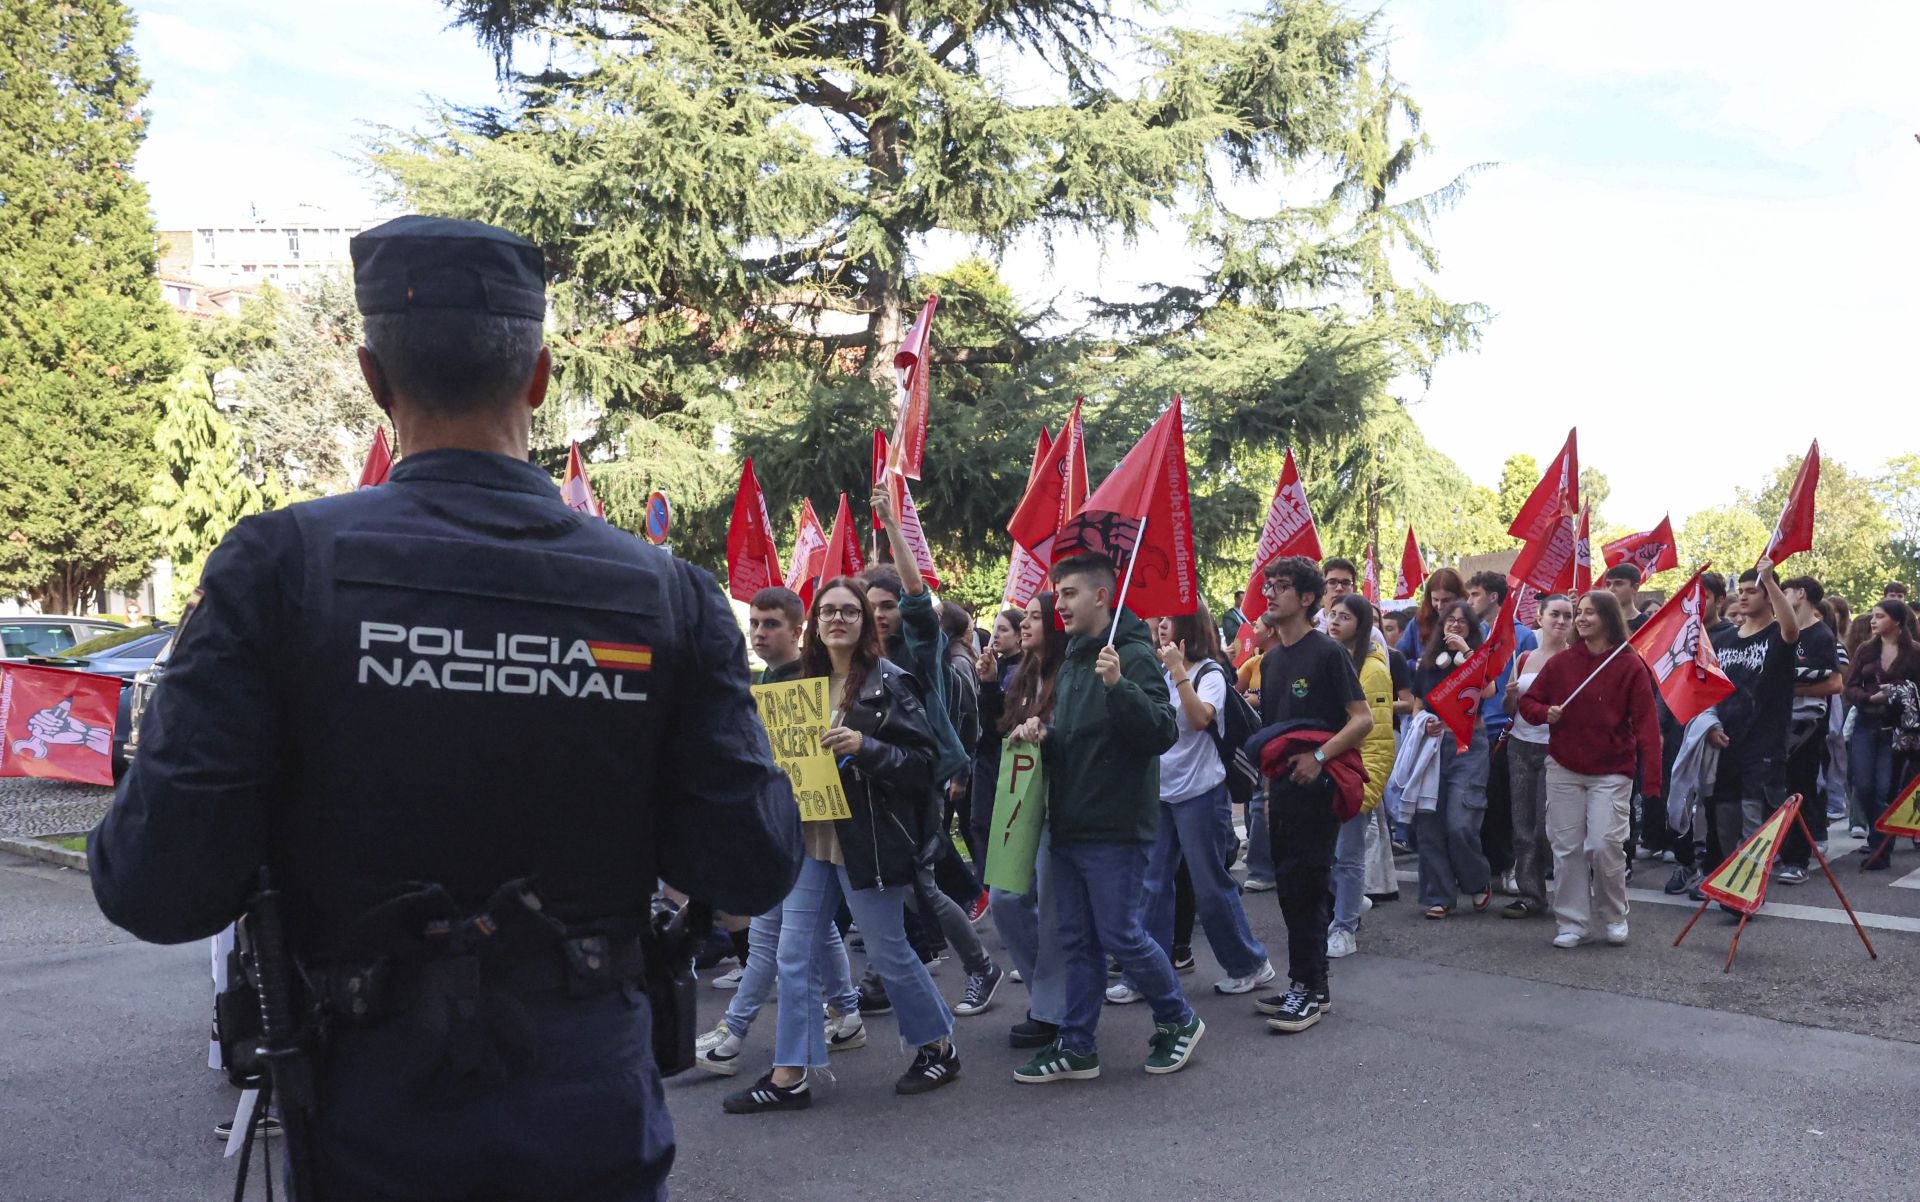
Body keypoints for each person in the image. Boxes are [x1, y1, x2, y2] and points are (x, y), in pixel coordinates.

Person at [89, 215, 804, 1199]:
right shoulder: (665, 596)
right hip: (589, 1116)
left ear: (375, 378)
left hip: (369, 1123)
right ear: (541, 376)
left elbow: (156, 883)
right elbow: (750, 861)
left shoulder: (280, 568)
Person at [726, 579, 958, 1112]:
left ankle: (938, 1047)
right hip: (809, 836)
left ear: (865, 622)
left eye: (849, 611)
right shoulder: (792, 682)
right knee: (793, 951)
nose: (838, 619)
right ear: (815, 622)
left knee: (887, 950)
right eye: (828, 611)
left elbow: (923, 766)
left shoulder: (889, 682)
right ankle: (790, 1075)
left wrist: (866, 746)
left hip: (866, 838)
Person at [1009, 553, 1203, 1083]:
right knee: (1076, 939)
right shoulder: (1072, 658)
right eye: (1057, 593)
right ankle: (1077, 1046)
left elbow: (1162, 732)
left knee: (1121, 935)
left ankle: (1178, 1019)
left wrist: (1121, 686)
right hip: (1070, 820)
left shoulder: (1132, 654)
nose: (1060, 604)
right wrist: (1041, 737)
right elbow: (1075, 741)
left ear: (1101, 596)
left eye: (1069, 593)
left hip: (1116, 825)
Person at [697, 587, 866, 1075]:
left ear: (798, 630)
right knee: (805, 931)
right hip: (778, 822)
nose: (759, 633)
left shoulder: (815, 681)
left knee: (775, 936)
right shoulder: (762, 682)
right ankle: (848, 1015)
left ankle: (735, 1031)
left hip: (814, 827)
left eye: (771, 624)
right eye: (754, 624)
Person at [858, 505, 1004, 1017]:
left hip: (922, 778)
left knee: (917, 881)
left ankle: (982, 968)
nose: (878, 613)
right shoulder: (858, 660)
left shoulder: (920, 646)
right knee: (894, 879)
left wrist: (893, 529)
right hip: (877, 778)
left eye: (886, 604)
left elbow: (919, 599)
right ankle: (882, 978)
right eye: (869, 605)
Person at [1112, 603, 1273, 1001]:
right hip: (1163, 792)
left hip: (1201, 793)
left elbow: (1201, 718)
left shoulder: (1210, 673)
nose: (1160, 626)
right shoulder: (1163, 672)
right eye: (1159, 620)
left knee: (1209, 885)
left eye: (1167, 620)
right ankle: (1144, 976)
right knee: (1152, 885)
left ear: (1188, 627)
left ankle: (1250, 964)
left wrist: (1180, 671)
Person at [1250, 556, 1373, 1032]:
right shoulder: (1271, 660)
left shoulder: (1327, 653)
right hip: (1280, 790)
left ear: (1306, 599)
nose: (1271, 594)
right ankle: (1304, 981)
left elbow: (1361, 719)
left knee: (1308, 885)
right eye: (1269, 586)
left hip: (1318, 787)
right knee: (1288, 887)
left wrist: (1319, 757)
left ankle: (1312, 988)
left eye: (1282, 587)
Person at [1518, 591, 1662, 948]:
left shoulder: (1629, 665)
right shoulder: (1561, 663)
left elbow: (1646, 725)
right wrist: (1543, 712)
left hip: (1612, 770)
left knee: (1604, 845)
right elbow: (1529, 702)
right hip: (1564, 767)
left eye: (1589, 614)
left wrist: (1654, 780)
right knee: (1565, 848)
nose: (1580, 619)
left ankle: (1614, 914)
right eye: (1578, 612)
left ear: (1609, 618)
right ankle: (1572, 922)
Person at [988, 591, 1072, 1050]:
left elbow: (1075, 736)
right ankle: (1053, 989)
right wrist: (986, 689)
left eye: (1036, 618)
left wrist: (1048, 731)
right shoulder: (1021, 674)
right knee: (1004, 897)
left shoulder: (1070, 674)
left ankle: (1052, 1009)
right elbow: (998, 732)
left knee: (1054, 910)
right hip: (1020, 803)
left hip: (1057, 805)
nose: (1025, 624)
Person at [1693, 562, 1802, 904]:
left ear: (1770, 596)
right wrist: (1709, 727)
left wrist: (1768, 578)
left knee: (1755, 823)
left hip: (1764, 746)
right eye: (1740, 591)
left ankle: (1749, 891)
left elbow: (1792, 630)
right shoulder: (1722, 638)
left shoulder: (1777, 635)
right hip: (1724, 744)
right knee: (1724, 820)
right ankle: (1731, 882)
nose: (1743, 596)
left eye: (1752, 590)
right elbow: (1706, 689)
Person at [1409, 599, 1496, 918]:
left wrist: (1468, 653)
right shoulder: (1427, 663)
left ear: (1471, 629)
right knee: (1429, 822)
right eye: (1450, 621)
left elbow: (1487, 690)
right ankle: (1439, 895)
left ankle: (1476, 880)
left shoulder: (1476, 659)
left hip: (1468, 744)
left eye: (1462, 622)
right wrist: (1423, 722)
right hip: (1431, 746)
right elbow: (1417, 704)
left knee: (1460, 822)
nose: (1455, 625)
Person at [1324, 594, 1396, 958]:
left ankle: (1344, 927)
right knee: (1326, 855)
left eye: (1345, 617)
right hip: (1325, 772)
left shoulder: (1373, 671)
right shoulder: (1329, 660)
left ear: (1362, 624)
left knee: (1349, 856)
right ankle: (1351, 902)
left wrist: (1366, 788)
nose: (1335, 622)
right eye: (1332, 614)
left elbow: (1380, 737)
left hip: (1353, 777)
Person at [1502, 593, 1573, 918]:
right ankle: (1531, 895)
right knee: (1522, 824)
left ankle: (1566, 892)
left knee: (1548, 827)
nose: (1561, 621)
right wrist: (1510, 697)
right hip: (1519, 744)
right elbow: (1509, 711)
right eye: (1555, 615)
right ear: (1540, 618)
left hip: (1556, 748)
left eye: (1567, 616)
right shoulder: (1524, 657)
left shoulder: (1575, 660)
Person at [1467, 572, 1537, 894]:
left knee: (1504, 801)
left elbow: (1530, 682)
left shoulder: (1523, 637)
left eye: (1475, 594)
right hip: (1475, 727)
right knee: (1480, 800)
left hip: (1506, 728)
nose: (1470, 601)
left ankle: (1508, 865)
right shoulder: (1472, 634)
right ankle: (1486, 865)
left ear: (1494, 596)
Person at [1776, 576, 1846, 883]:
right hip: (1775, 726)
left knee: (1799, 789)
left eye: (1786, 591)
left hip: (1806, 730)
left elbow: (1834, 683)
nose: (1780, 596)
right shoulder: (1778, 631)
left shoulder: (1820, 635)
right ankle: (1778, 847)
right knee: (1774, 790)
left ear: (1801, 594)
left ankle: (1797, 859)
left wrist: (1790, 690)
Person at [1844, 599, 1920, 869]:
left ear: (1897, 621)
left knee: (1884, 788)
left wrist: (1902, 693)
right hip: (1866, 724)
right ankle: (1878, 839)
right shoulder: (1866, 650)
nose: (1873, 621)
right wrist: (1870, 697)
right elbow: (1848, 687)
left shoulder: (1914, 652)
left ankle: (1880, 849)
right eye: (1873, 616)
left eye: (1880, 616)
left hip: (1897, 730)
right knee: (1863, 786)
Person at [969, 606, 1027, 882]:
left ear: (1019, 636)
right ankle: (985, 888)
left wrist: (992, 685)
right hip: (986, 756)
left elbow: (1003, 720)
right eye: (994, 629)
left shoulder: (1024, 672)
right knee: (980, 824)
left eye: (1003, 629)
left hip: (1005, 758)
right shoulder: (996, 664)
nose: (995, 636)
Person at [1236, 613, 1282, 892]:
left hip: (1281, 739)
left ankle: (1267, 867)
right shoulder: (1252, 663)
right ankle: (1262, 867)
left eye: (1257, 626)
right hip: (1256, 741)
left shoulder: (1290, 658)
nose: (1252, 629)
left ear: (1272, 630)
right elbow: (1232, 694)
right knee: (1257, 801)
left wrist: (1260, 698)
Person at [1397, 567, 1465, 668]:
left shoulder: (1472, 621)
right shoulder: (1419, 622)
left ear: (1459, 597)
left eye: (1446, 600)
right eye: (1435, 599)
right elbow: (1398, 659)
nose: (1440, 606)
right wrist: (1415, 665)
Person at [1603, 564, 1647, 633]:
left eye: (1618, 584)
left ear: (1635, 588)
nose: (1611, 589)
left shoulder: (1646, 625)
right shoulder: (1600, 622)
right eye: (1608, 584)